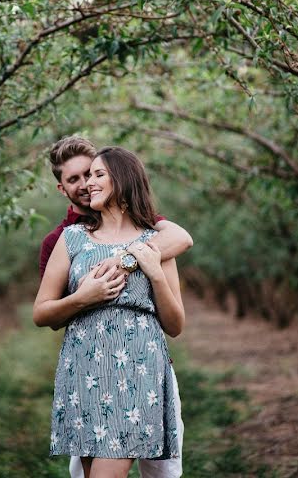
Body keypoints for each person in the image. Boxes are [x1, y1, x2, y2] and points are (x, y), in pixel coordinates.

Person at [34, 145, 187, 478]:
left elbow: (175, 325)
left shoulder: (154, 240)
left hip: (137, 373)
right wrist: (84, 296)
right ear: (62, 187)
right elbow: (42, 312)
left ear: (122, 180)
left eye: (94, 174)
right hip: (84, 373)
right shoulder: (67, 238)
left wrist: (151, 269)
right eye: (77, 179)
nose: (87, 184)